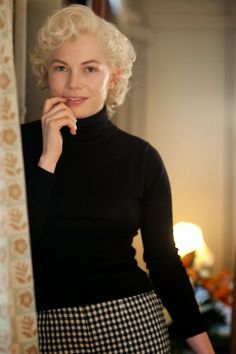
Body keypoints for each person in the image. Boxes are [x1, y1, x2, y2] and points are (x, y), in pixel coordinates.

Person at [21, 4, 215, 354]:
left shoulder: (141, 158)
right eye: (61, 67)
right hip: (46, 330)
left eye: (90, 68)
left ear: (113, 76)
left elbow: (164, 262)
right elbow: (14, 248)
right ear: (46, 73)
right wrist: (47, 159)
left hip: (131, 324)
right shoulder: (16, 146)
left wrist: (205, 349)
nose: (73, 83)